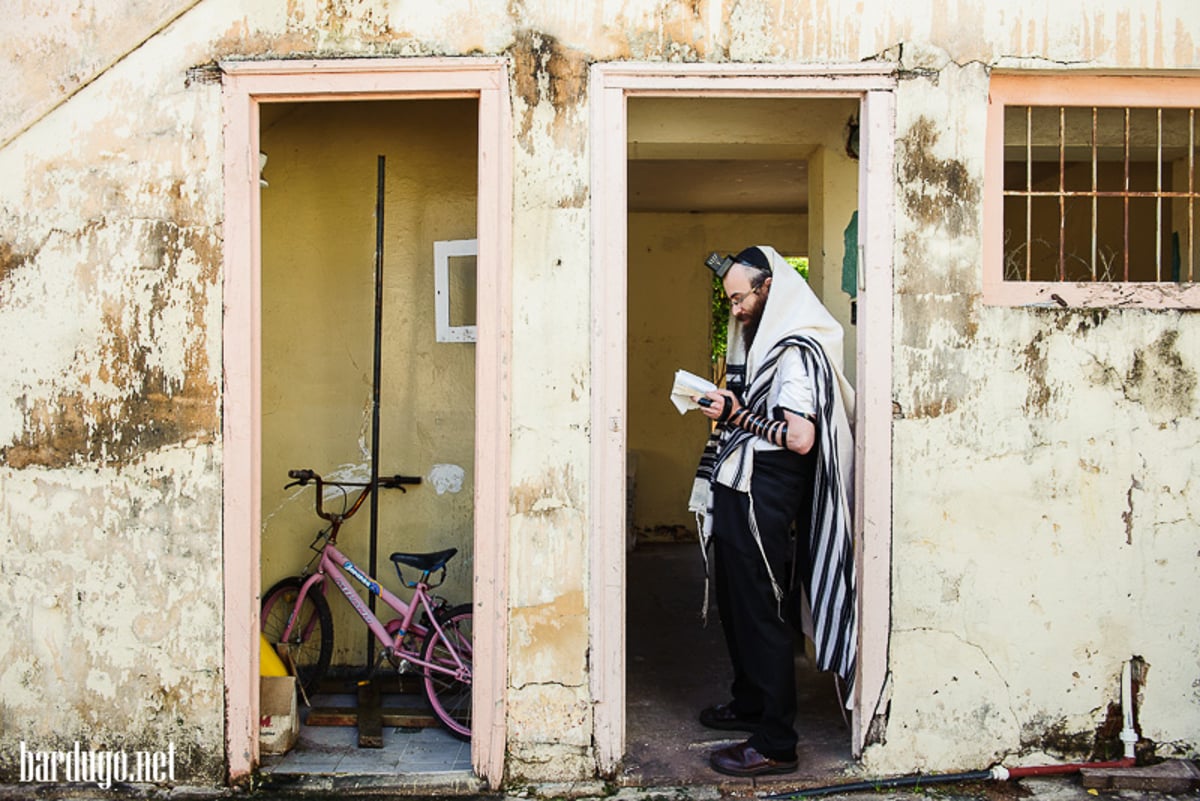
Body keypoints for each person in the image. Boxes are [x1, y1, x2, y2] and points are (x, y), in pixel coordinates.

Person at [689, 245, 856, 777]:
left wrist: (738, 415)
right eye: (731, 300)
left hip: (767, 490)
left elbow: (799, 437)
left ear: (769, 288)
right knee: (738, 604)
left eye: (740, 298)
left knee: (763, 613)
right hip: (744, 487)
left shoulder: (796, 352)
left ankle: (776, 742)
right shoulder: (765, 346)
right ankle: (751, 703)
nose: (735, 309)